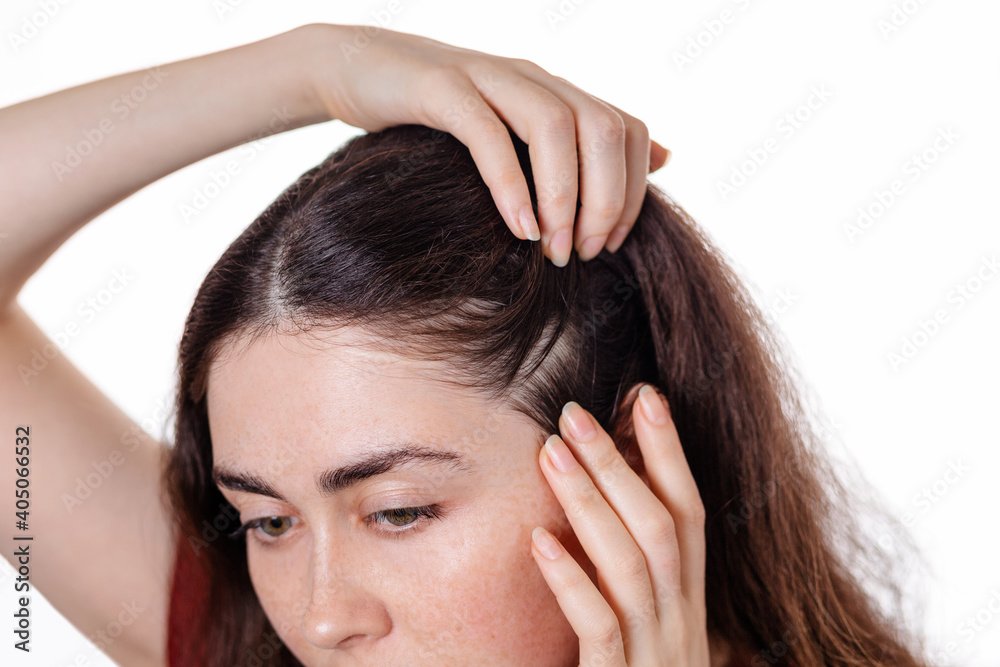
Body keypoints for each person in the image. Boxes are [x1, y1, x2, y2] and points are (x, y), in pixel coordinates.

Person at [0, 23, 929, 667]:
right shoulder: (246, 637)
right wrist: (313, 68)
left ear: (637, 473)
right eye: (267, 522)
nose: (322, 619)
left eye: (398, 511)